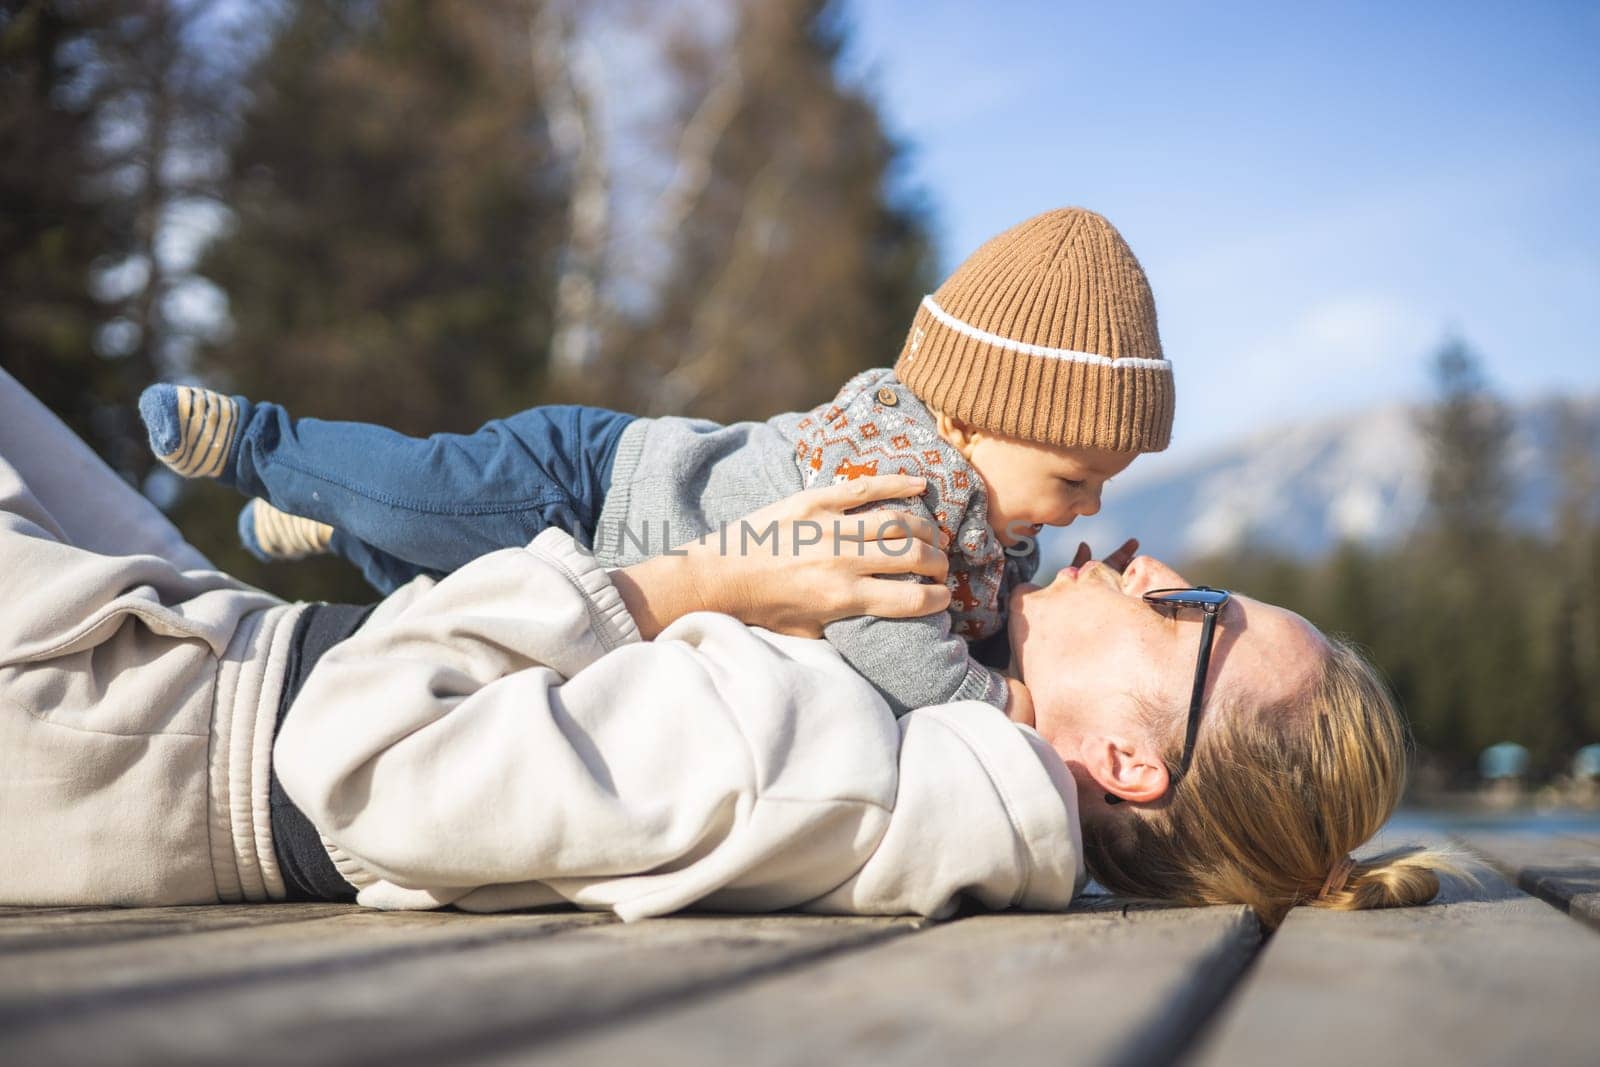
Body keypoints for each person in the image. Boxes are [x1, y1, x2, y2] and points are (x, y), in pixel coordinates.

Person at [2, 368, 1449, 927]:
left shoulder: (847, 773)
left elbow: (349, 761)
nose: (1153, 559)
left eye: (1196, 615)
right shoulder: (928, 689)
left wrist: (706, 573)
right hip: (214, 650)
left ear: (1130, 759)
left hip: (120, 716)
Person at [136, 207, 1169, 720]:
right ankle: (262, 444)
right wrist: (1006, 706)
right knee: (424, 495)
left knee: (449, 592)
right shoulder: (895, 497)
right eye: (1074, 477)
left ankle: (334, 521)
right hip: (589, 485)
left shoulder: (981, 540)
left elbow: (975, 621)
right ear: (972, 425)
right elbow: (896, 651)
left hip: (602, 559)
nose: (1085, 507)